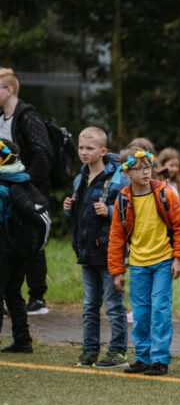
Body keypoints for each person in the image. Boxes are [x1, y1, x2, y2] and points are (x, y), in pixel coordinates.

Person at [108, 150, 180, 376]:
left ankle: (160, 359)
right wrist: (117, 271)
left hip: (163, 262)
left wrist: (179, 259)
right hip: (137, 265)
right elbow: (116, 237)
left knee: (161, 311)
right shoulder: (123, 199)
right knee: (141, 314)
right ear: (127, 172)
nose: (145, 172)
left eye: (148, 167)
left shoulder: (164, 193)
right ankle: (143, 358)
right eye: (139, 168)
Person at [64, 127, 129, 368]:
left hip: (110, 252)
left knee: (113, 304)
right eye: (81, 147)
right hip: (86, 252)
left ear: (102, 151)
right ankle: (89, 350)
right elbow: (82, 216)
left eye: (89, 148)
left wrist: (110, 211)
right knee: (90, 305)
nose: (84, 152)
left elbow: (128, 212)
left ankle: (118, 351)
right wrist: (68, 208)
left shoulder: (117, 179)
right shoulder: (80, 179)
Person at [0, 68, 53, 315]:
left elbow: (43, 154)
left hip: (29, 190)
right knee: (10, 240)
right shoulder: (3, 119)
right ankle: (13, 295)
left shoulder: (28, 117)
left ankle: (37, 298)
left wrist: (25, 183)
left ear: (8, 90)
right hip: (8, 191)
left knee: (32, 239)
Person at [0, 139, 33, 352]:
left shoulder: (2, 186)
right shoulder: (21, 180)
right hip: (20, 248)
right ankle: (23, 340)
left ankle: (22, 340)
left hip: (3, 248)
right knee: (13, 293)